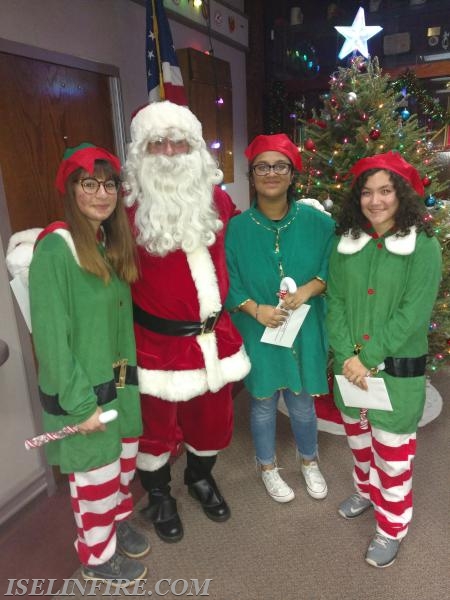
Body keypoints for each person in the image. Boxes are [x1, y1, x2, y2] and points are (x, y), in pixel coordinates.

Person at [123, 101, 251, 543]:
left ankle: (200, 477)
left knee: (212, 423)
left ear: (195, 148)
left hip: (214, 339)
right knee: (153, 432)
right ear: (142, 153)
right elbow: (84, 249)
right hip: (153, 344)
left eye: (179, 142)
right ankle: (159, 494)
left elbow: (248, 242)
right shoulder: (125, 209)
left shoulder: (216, 199)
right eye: (157, 144)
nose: (170, 153)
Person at [28, 143, 149, 587]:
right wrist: (81, 407)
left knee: (120, 465)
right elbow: (51, 341)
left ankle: (115, 525)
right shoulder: (56, 248)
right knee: (94, 476)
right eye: (89, 183)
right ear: (71, 189)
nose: (102, 193)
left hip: (119, 386)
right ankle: (97, 553)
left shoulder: (106, 243)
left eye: (110, 184)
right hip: (86, 393)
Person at [326, 151, 442, 568]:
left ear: (402, 195)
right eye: (368, 192)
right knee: (359, 441)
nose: (375, 201)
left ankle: (391, 525)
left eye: (386, 191)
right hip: (351, 372)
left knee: (392, 453)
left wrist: (367, 358)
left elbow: (413, 316)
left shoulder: (423, 247)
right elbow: (334, 302)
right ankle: (364, 491)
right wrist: (345, 355)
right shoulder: (346, 244)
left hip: (395, 376)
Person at [224, 134, 335, 503]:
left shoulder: (319, 223)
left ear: (292, 175)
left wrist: (310, 288)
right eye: (262, 167)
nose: (271, 173)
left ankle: (308, 461)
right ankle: (267, 466)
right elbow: (229, 281)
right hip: (259, 329)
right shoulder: (236, 230)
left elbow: (333, 266)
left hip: (303, 328)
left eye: (280, 166)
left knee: (302, 401)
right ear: (252, 175)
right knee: (263, 401)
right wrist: (256, 309)